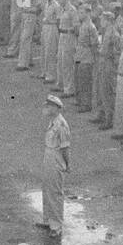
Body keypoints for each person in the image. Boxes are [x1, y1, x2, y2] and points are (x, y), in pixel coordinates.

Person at [37, 94, 71, 236]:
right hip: (49, 155)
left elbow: (65, 148)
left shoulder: (61, 125)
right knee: (46, 188)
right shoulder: (52, 121)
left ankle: (56, 225)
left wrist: (67, 164)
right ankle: (48, 220)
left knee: (55, 192)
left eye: (49, 106)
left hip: (56, 158)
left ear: (56, 108)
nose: (46, 108)